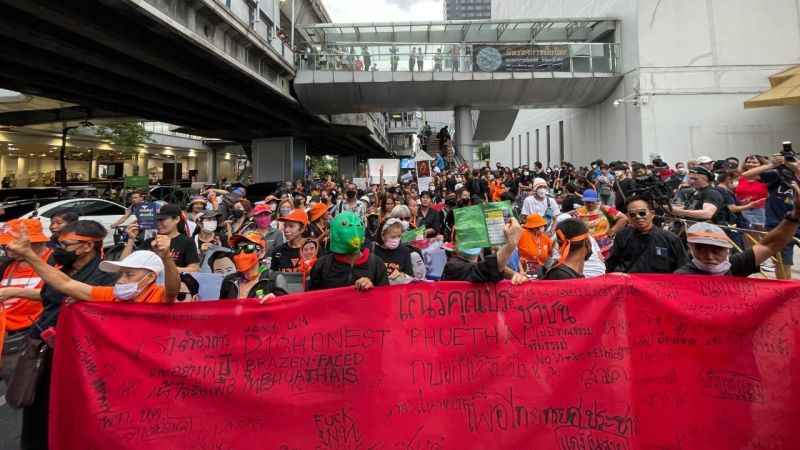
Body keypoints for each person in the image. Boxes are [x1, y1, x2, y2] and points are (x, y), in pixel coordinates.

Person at [674, 195, 800, 276]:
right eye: (701, 249)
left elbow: (771, 245)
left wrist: (795, 215)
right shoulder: (681, 277)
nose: (709, 256)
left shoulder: (736, 265)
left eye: (717, 249)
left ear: (728, 250)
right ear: (691, 249)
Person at [0, 220, 52, 385]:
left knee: (24, 390)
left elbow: (59, 294)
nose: (5, 248)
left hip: (29, 338)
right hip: (5, 335)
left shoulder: (54, 261)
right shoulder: (7, 264)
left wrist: (15, 292)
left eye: (9, 244)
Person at [741, 153, 799, 279]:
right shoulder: (780, 175)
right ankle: (785, 292)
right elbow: (746, 175)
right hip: (779, 225)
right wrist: (773, 164)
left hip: (796, 221)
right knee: (782, 263)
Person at [307, 211, 389, 291]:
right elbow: (312, 299)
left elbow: (385, 297)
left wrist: (372, 289)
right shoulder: (322, 266)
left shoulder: (376, 265)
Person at [605, 197, 687, 273]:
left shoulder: (671, 239)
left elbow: (682, 268)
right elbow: (611, 264)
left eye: (642, 213)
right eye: (632, 214)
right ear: (628, 217)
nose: (637, 217)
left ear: (652, 214)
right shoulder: (622, 236)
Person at [442, 219, 526, 284]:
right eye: (464, 236)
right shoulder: (452, 266)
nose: (471, 241)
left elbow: (498, 269)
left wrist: (514, 275)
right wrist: (511, 244)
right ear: (454, 242)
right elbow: (487, 269)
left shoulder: (481, 258)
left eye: (475, 235)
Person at [122, 204, 200, 272]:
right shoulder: (149, 241)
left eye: (162, 220)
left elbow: (194, 269)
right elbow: (124, 264)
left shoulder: (187, 241)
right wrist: (131, 239)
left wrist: (165, 270)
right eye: (157, 220)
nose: (158, 223)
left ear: (176, 219)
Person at [220, 232, 288, 301]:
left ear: (261, 253)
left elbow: (286, 308)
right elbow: (222, 309)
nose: (241, 253)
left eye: (248, 247)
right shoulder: (229, 281)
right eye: (237, 248)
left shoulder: (274, 279)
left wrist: (276, 301)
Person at [574, 189, 628, 259]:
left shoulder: (604, 209)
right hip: (588, 248)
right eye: (587, 202)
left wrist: (612, 231)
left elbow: (624, 218)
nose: (590, 204)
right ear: (583, 201)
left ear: (596, 200)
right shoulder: (579, 212)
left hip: (606, 247)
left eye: (592, 202)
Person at [372, 218, 415, 285]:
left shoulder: (404, 251)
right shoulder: (373, 250)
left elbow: (410, 276)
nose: (396, 240)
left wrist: (401, 275)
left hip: (398, 291)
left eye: (399, 236)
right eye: (393, 237)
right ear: (382, 235)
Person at [270, 208, 308, 273]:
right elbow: (274, 277)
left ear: (302, 229)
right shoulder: (278, 251)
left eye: (291, 226)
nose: (286, 230)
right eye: (285, 226)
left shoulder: (313, 249)